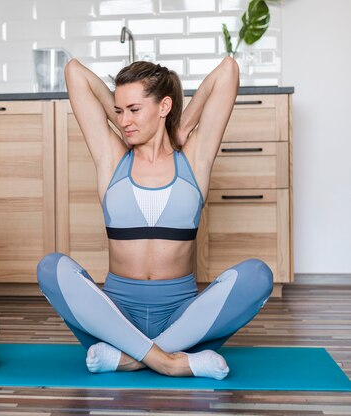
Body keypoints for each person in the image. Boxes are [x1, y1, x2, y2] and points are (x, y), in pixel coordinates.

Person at [37, 56, 273, 380]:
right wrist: (124, 110)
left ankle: (129, 357)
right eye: (119, 111)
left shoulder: (193, 160)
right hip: (115, 314)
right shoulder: (112, 158)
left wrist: (184, 124)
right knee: (50, 267)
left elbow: (228, 71)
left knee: (259, 275)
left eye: (134, 110)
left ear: (164, 106)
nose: (123, 121)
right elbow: (74, 72)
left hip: (181, 316)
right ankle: (171, 361)